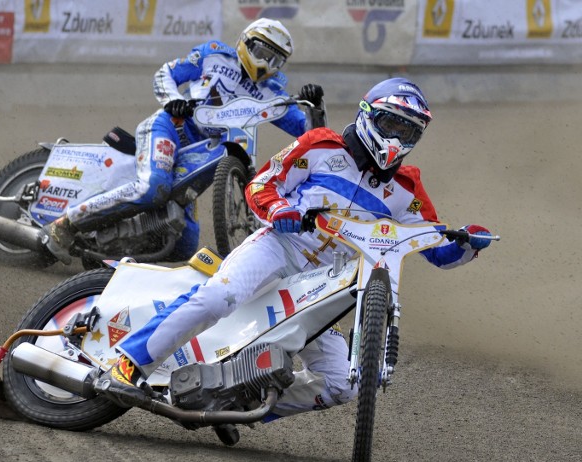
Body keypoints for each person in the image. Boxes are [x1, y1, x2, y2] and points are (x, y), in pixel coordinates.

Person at [98, 77, 493, 420]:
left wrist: (470, 242)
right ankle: (127, 364)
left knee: (346, 384)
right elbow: (260, 184)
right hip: (279, 247)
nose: (396, 138)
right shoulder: (320, 145)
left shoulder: (408, 188)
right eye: (390, 123)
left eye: (408, 133)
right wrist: (280, 208)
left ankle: (232, 401)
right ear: (367, 114)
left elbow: (436, 247)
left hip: (325, 286)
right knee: (217, 298)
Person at [42, 18, 325, 264]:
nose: (267, 64)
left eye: (276, 59)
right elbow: (165, 73)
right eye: (263, 52)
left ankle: (110, 255)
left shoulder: (272, 93)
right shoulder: (213, 55)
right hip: (171, 129)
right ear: (247, 44)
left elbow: (310, 134)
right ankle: (65, 224)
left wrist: (314, 107)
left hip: (203, 154)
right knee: (153, 186)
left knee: (185, 245)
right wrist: (174, 101)